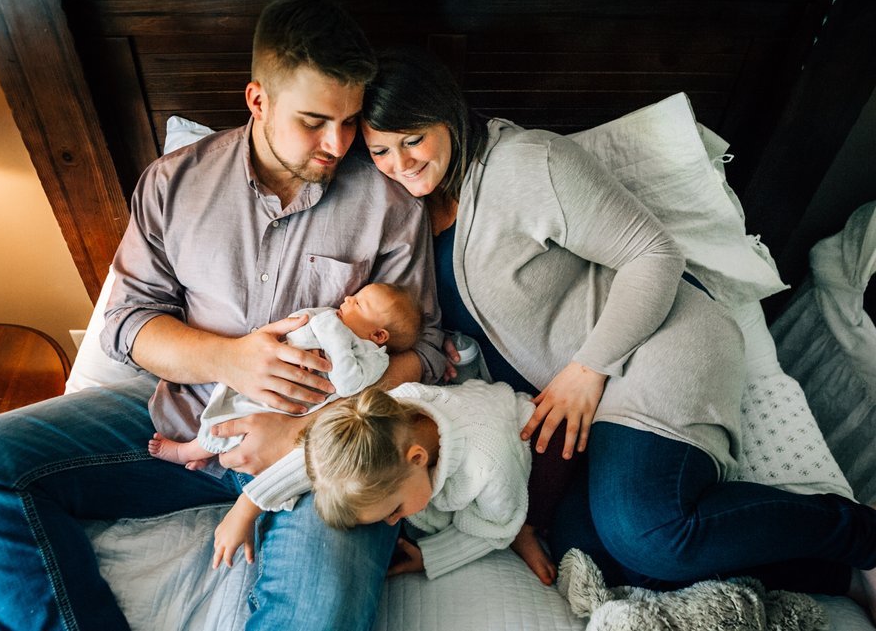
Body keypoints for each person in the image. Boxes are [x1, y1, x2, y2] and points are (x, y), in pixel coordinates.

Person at [0, 0, 446, 631]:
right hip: (179, 417)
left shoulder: (389, 202)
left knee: (315, 615)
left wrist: (304, 434)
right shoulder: (173, 185)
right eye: (314, 121)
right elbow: (125, 322)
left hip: (324, 450)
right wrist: (229, 358)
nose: (339, 143)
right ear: (258, 100)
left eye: (349, 120)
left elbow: (424, 354)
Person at [358, 47, 876, 610]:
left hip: (657, 343)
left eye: (414, 140)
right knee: (593, 557)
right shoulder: (412, 212)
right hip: (585, 401)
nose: (400, 163)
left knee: (646, 533)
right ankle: (840, 577)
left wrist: (589, 368)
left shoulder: (527, 163)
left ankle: (862, 536)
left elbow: (653, 254)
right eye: (381, 150)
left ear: (449, 116)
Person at [211, 381, 536, 583]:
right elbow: (326, 457)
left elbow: (493, 526)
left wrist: (431, 556)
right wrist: (248, 505)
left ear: (419, 458)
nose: (394, 520)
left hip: (530, 442)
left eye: (394, 509)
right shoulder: (382, 419)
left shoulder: (487, 465)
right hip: (471, 435)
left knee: (512, 519)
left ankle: (529, 528)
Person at [148, 282, 422, 467]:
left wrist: (332, 335)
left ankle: (188, 451)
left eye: (359, 303)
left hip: (290, 403)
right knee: (232, 399)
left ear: (377, 335)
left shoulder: (373, 358)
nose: (348, 298)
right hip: (263, 366)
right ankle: (209, 451)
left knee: (238, 418)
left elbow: (347, 382)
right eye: (355, 296)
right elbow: (300, 321)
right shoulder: (332, 318)